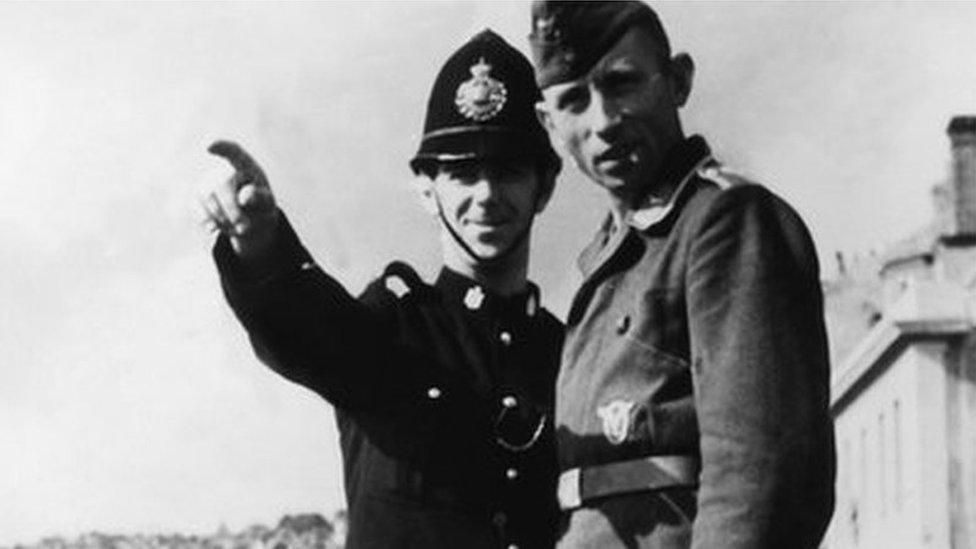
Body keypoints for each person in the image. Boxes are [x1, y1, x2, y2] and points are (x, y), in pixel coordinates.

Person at [201, 30, 563, 549]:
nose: (486, 195)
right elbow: (304, 323)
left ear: (544, 186)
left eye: (507, 172)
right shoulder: (388, 330)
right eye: (462, 174)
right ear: (425, 189)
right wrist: (260, 243)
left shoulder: (572, 356)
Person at [528, 2, 836, 548]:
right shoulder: (611, 261)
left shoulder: (726, 223)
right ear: (549, 124)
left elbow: (761, 474)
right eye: (574, 100)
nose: (603, 121)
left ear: (678, 81)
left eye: (622, 83)